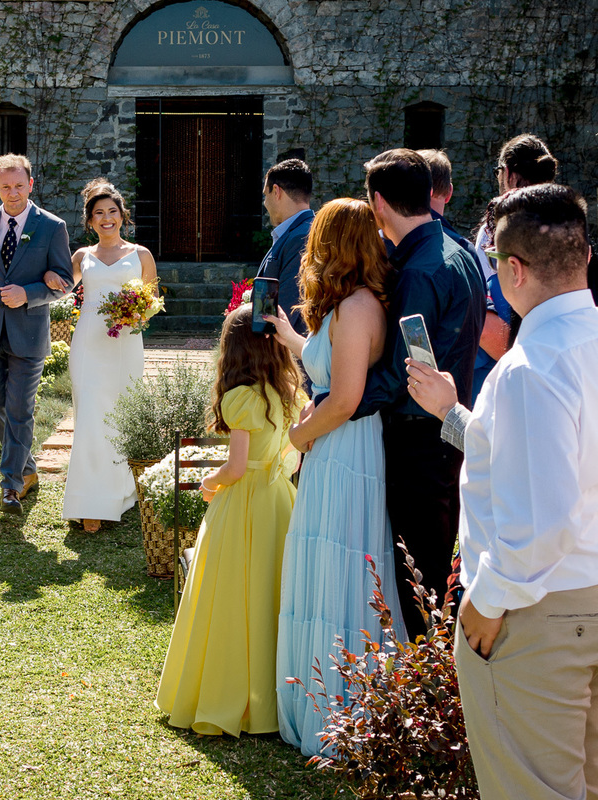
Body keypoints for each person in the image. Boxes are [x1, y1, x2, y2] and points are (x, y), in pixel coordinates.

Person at [452, 184, 597, 800]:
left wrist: (485, 602)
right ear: (584, 255)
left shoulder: (530, 367)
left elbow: (541, 526)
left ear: (512, 270)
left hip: (541, 611)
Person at [265, 199, 408, 756]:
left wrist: (300, 438)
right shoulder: (351, 305)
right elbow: (334, 370)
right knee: (329, 562)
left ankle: (342, 710)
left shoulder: (357, 307)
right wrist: (292, 338)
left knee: (340, 562)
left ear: (332, 244)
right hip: (336, 446)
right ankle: (333, 701)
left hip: (344, 448)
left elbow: (344, 399)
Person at [347, 149, 485, 638]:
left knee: (419, 578)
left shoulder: (419, 271)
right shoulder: (461, 249)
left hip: (418, 438)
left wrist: (336, 404)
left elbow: (400, 373)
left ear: (378, 202)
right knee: (433, 565)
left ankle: (431, 690)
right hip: (447, 430)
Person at [155, 303, 305, 737]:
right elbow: (291, 455)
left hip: (243, 504)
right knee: (270, 595)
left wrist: (209, 483)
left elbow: (236, 467)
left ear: (232, 350)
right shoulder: (285, 394)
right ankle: (270, 701)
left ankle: (227, 697)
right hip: (279, 499)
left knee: (231, 596)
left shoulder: (242, 397)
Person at [0, 153, 73, 514]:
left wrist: (31, 294)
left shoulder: (52, 226)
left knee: (20, 408)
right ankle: (28, 468)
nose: (13, 192)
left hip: (29, 334)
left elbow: (66, 282)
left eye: (19, 185)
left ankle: (10, 485)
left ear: (30, 184)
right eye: (6, 186)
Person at [57, 180, 156, 533]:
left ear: (122, 215)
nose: (106, 218)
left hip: (126, 344)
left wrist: (135, 313)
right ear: (90, 221)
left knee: (120, 415)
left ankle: (120, 494)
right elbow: (57, 288)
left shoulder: (141, 255)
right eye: (98, 213)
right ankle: (88, 502)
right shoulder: (82, 257)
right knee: (89, 419)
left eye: (112, 211)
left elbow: (152, 301)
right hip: (88, 344)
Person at [471, 136, 559, 398]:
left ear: (507, 172)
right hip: (557, 354)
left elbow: (488, 322)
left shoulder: (495, 229)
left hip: (508, 367)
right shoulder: (567, 222)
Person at [255, 158, 315, 336]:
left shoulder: (301, 236)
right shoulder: (298, 231)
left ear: (276, 191)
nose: (265, 203)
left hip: (285, 354)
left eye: (266, 195)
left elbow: (288, 309)